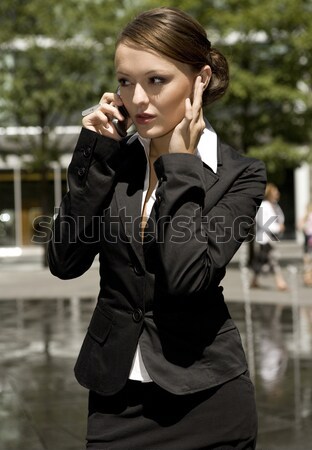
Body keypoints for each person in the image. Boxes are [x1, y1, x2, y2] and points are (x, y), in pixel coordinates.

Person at [48, 7, 266, 449]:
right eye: (125, 81)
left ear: (199, 80)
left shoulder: (240, 175)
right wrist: (94, 155)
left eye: (156, 80)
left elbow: (187, 278)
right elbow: (64, 262)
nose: (138, 100)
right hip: (115, 400)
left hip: (208, 400)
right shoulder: (115, 161)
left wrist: (181, 165)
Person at [250, 183, 288, 291]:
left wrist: (280, 226)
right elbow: (263, 222)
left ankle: (254, 281)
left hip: (272, 237)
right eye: (275, 191)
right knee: (274, 259)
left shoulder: (275, 205)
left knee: (261, 260)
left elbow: (280, 217)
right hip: (265, 238)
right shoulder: (263, 205)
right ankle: (280, 282)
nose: (277, 194)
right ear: (270, 193)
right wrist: (277, 227)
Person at [298, 202, 312, 286]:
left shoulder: (306, 216)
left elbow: (299, 226)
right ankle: (308, 278)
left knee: (307, 261)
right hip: (309, 240)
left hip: (307, 240)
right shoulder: (307, 216)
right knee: (308, 261)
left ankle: (308, 278)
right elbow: (300, 226)